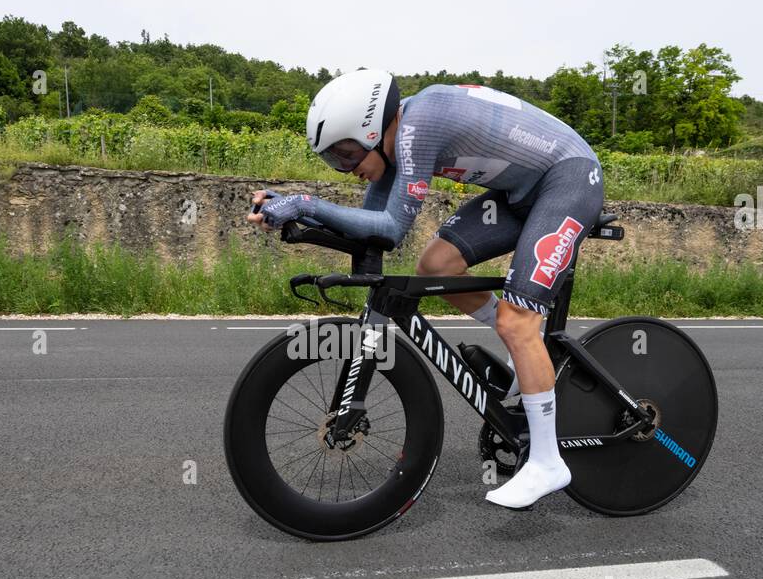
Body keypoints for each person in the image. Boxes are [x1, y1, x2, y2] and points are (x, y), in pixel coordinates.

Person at [247, 68, 604, 510]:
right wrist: (290, 208)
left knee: (519, 321)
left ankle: (549, 461)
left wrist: (303, 203)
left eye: (345, 153)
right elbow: (369, 233)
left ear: (372, 130)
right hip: (521, 195)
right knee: (437, 266)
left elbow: (392, 228)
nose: (346, 168)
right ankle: (525, 350)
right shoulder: (393, 145)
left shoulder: (421, 125)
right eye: (333, 159)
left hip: (568, 180)